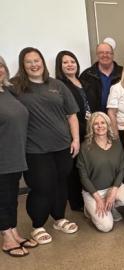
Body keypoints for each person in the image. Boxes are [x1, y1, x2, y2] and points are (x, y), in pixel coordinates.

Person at [12, 47, 80, 244]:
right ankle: (37, 225)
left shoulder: (57, 85)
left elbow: (72, 115)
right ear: (23, 65)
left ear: (42, 62)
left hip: (62, 146)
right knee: (42, 186)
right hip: (35, 149)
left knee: (60, 183)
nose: (34, 64)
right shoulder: (15, 88)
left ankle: (59, 218)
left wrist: (75, 139)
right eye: (29, 62)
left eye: (37, 60)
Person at [0, 56, 37, 257]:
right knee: (3, 198)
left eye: (1, 66)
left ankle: (13, 231)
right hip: (2, 157)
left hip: (16, 153)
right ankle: (7, 238)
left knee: (11, 197)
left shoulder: (8, 92)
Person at [77, 112, 124, 232]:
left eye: (103, 122)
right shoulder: (85, 147)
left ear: (108, 124)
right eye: (96, 124)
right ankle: (89, 208)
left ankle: (110, 206)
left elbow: (121, 169)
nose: (100, 126)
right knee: (106, 227)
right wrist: (98, 198)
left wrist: (114, 190)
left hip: (112, 187)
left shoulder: (116, 143)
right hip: (93, 192)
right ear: (91, 127)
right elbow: (83, 177)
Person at [55, 50, 92, 212]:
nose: (70, 65)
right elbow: (68, 113)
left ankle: (89, 195)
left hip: (92, 128)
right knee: (75, 167)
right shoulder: (59, 85)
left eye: (72, 61)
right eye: (65, 62)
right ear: (59, 66)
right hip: (75, 130)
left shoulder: (83, 81)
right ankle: (77, 202)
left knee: (88, 164)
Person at [80, 42, 123, 113]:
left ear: (113, 55)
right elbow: (82, 100)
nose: (105, 55)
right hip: (97, 119)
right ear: (97, 55)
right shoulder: (87, 75)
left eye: (108, 52)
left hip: (119, 117)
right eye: (101, 53)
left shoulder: (123, 73)